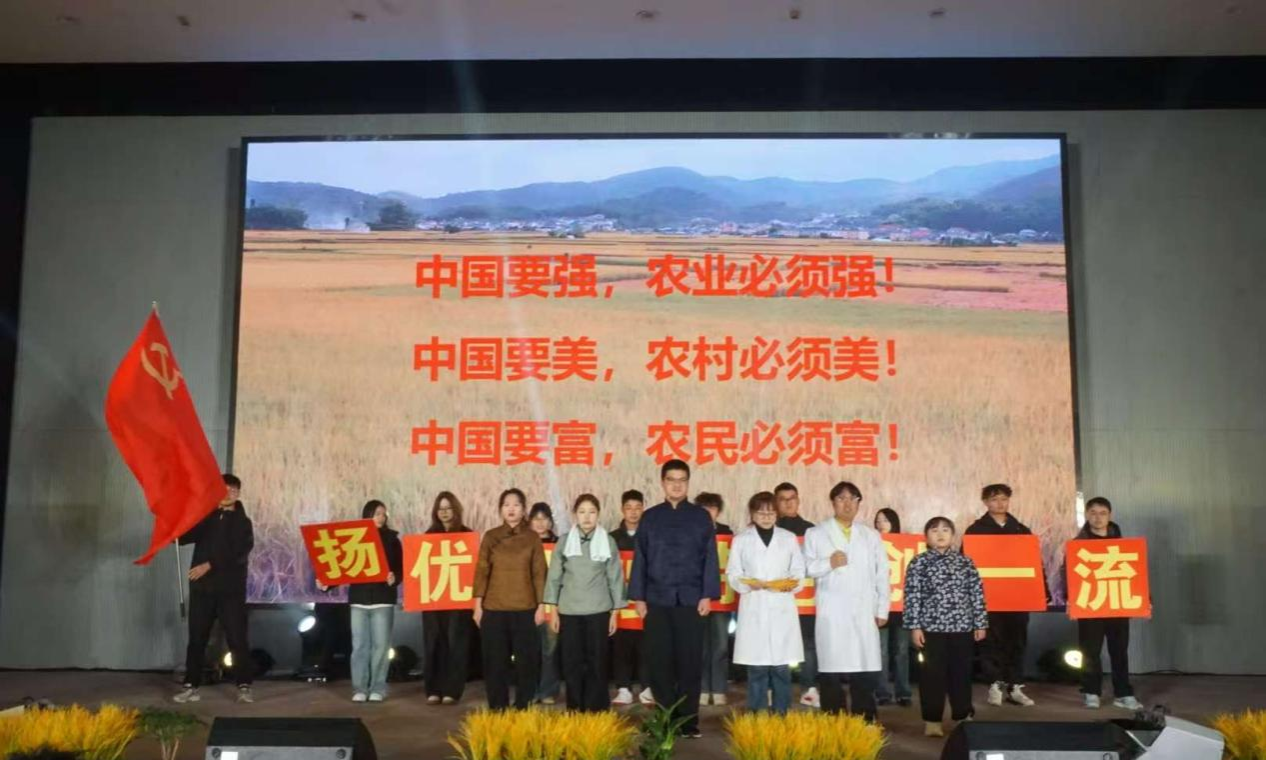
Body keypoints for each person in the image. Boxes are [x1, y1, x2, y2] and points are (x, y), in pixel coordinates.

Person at [629, 459, 720, 739]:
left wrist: (708, 594)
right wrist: (639, 598)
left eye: (682, 480)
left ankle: (688, 722)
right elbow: (640, 558)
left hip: (692, 600)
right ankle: (665, 720)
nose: (677, 485)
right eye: (671, 479)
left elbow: (710, 557)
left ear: (688, 483)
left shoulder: (700, 517)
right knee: (660, 663)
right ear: (663, 483)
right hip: (657, 599)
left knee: (690, 663)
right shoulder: (650, 517)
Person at [803, 481, 889, 722]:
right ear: (833, 503)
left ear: (859, 503)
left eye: (853, 498)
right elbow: (806, 568)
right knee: (831, 668)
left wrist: (882, 608)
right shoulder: (816, 533)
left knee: (865, 667)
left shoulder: (870, 535)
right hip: (832, 610)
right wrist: (828, 563)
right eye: (841, 498)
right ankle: (834, 719)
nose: (847, 504)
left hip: (863, 609)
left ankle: (865, 718)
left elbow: (882, 573)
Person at [174, 473, 256, 704]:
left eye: (233, 490)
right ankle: (191, 685)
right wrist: (172, 524)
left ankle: (244, 685)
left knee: (237, 638)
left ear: (238, 494)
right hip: (203, 589)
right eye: (224, 489)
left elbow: (238, 552)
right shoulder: (205, 517)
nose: (228, 493)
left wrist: (209, 565)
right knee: (197, 638)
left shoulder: (243, 522)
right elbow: (182, 537)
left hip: (231, 590)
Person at [904, 517, 988, 737]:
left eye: (945, 530)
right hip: (931, 628)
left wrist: (980, 622)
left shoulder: (965, 562)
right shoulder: (919, 563)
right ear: (926, 537)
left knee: (961, 673)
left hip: (962, 627)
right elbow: (912, 597)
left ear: (952, 535)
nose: (940, 534)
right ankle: (932, 720)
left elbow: (977, 594)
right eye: (934, 530)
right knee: (932, 675)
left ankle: (962, 715)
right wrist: (915, 627)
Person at [543, 494, 625, 711]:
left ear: (598, 514)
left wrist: (615, 613)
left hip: (598, 610)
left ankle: (597, 709)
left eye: (592, 512)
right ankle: (575, 708)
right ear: (575, 515)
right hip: (569, 611)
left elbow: (615, 577)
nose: (587, 517)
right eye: (582, 512)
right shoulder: (564, 542)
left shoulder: (607, 541)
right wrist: (553, 611)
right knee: (572, 662)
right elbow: (554, 578)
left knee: (597, 661)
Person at [317, 500, 404, 702]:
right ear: (367, 515)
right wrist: (326, 584)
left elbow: (400, 569)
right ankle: (360, 688)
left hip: (383, 599)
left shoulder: (392, 540)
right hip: (359, 600)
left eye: (383, 514)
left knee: (381, 647)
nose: (381, 517)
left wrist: (394, 578)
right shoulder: (354, 538)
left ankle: (378, 688)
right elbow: (343, 566)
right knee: (359, 647)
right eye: (377, 513)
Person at [727, 491, 805, 714]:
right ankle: (757, 714)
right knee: (757, 668)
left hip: (781, 605)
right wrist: (748, 584)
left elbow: (799, 570)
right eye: (761, 513)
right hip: (754, 604)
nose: (766, 517)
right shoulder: (742, 540)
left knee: (781, 667)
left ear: (777, 514)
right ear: (752, 514)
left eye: (771, 513)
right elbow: (733, 573)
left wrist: (790, 584)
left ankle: (782, 713)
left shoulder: (788, 538)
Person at [473, 488, 547, 709]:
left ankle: (523, 705)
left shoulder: (532, 538)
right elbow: (482, 571)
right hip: (494, 609)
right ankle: (498, 708)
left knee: (526, 663)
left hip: (525, 608)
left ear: (524, 510)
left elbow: (539, 573)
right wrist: (478, 605)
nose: (511, 509)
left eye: (516, 505)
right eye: (506, 505)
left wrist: (541, 606)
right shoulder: (491, 536)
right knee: (495, 663)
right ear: (500, 510)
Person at [965, 484, 1037, 707]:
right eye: (994, 499)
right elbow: (966, 564)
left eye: (1004, 499)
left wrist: (1040, 589)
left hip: (1017, 596)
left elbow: (1034, 562)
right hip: (988, 597)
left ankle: (1015, 686)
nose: (1000, 504)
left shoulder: (1021, 530)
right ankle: (994, 685)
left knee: (1017, 641)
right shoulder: (975, 531)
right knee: (990, 642)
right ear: (985, 502)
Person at [1076, 497, 1143, 711]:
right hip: (1090, 604)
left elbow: (1136, 574)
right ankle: (1091, 692)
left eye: (1102, 513)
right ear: (1087, 515)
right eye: (1093, 513)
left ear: (1110, 516)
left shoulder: (1122, 545)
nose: (1098, 517)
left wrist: (1145, 600)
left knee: (1119, 650)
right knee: (1090, 651)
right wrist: (1069, 597)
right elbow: (1068, 574)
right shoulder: (1078, 544)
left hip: (1117, 602)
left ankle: (1123, 693)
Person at [422, 491, 474, 705]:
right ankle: (433, 688)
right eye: (440, 509)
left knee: (456, 643)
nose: (444, 512)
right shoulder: (428, 536)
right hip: (433, 598)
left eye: (448, 508)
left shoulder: (466, 534)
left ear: (456, 510)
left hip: (458, 599)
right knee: (433, 642)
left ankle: (452, 690)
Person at [774, 481, 819, 708]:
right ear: (776, 503)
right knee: (776, 643)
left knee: (808, 644)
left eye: (792, 498)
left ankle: (809, 689)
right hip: (777, 598)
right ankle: (775, 689)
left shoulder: (811, 530)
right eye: (783, 499)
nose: (788, 503)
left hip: (805, 598)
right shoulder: (769, 529)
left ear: (798, 500)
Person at [610, 489, 654, 707]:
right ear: (622, 510)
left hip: (643, 599)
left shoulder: (651, 535)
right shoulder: (612, 538)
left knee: (646, 646)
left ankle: (647, 688)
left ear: (643, 509)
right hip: (619, 600)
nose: (633, 512)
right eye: (629, 508)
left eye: (638, 508)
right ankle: (623, 688)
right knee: (621, 646)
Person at [696, 492, 734, 706]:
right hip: (698, 598)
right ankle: (702, 688)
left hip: (722, 598)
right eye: (704, 508)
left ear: (718, 511)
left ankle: (719, 688)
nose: (708, 512)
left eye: (712, 508)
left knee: (720, 646)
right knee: (700, 647)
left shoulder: (727, 533)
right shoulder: (691, 531)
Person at [873, 507, 912, 707]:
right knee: (881, 652)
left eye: (885, 520)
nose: (881, 525)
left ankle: (903, 692)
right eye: (878, 521)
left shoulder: (906, 546)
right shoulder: (871, 544)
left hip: (901, 607)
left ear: (894, 522)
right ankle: (882, 692)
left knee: (902, 652)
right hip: (879, 607)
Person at [529, 502, 562, 705]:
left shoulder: (559, 544)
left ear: (550, 522)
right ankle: (531, 690)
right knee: (530, 650)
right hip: (529, 603)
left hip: (552, 605)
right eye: (536, 519)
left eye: (544, 518)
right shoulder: (524, 543)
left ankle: (549, 690)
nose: (540, 523)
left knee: (550, 650)